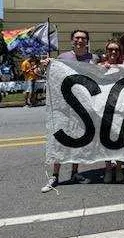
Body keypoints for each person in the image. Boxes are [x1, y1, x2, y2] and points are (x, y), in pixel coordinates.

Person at [41, 29, 98, 193]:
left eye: (83, 38)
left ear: (87, 41)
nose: (80, 40)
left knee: (79, 139)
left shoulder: (93, 58)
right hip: (65, 105)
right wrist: (46, 65)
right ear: (72, 41)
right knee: (60, 138)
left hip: (85, 106)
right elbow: (48, 74)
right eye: (77, 38)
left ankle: (75, 173)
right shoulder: (62, 58)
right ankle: (55, 175)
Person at [99, 39, 124, 183]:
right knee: (105, 139)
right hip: (105, 109)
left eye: (116, 49)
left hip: (121, 108)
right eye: (110, 49)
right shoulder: (99, 66)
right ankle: (108, 168)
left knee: (120, 138)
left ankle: (120, 167)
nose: (113, 52)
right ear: (106, 51)